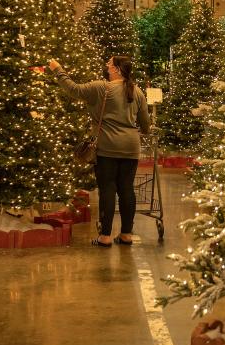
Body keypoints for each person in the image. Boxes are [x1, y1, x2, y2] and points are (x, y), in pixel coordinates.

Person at [48, 55, 151, 247]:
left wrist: (58, 69)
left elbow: (73, 89)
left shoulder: (101, 88)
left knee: (108, 191)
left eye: (110, 64)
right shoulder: (137, 92)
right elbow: (145, 126)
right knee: (127, 189)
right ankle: (126, 234)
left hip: (107, 148)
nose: (106, 66)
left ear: (117, 69)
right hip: (130, 148)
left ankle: (105, 236)